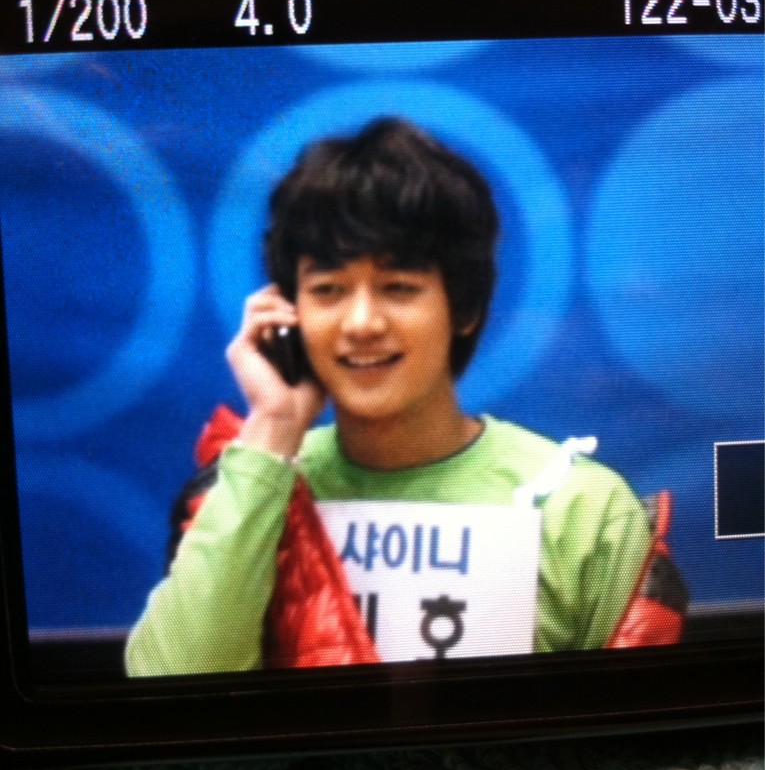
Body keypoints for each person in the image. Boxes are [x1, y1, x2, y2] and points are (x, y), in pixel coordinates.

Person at [125, 118, 685, 677]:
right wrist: (273, 427)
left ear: (463, 308)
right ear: (289, 314)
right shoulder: (244, 492)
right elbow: (169, 695)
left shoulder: (584, 511)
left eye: (399, 288)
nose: (362, 323)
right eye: (328, 290)